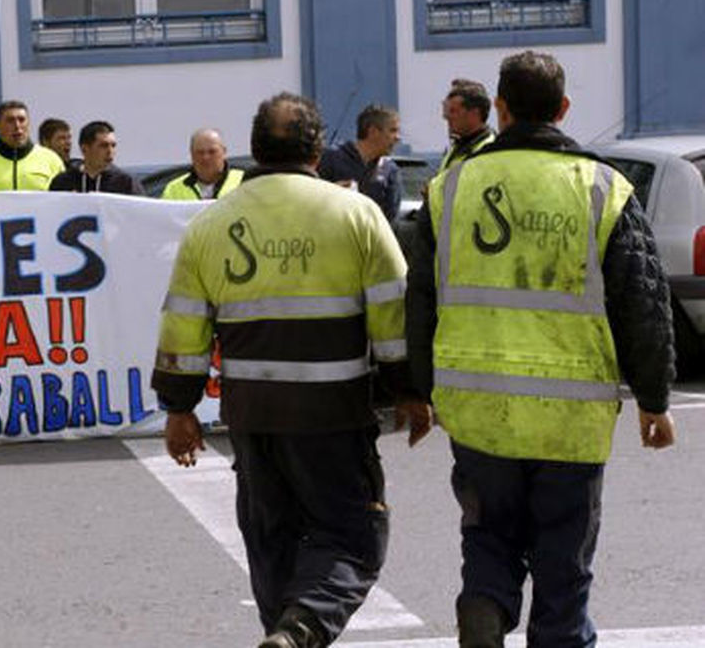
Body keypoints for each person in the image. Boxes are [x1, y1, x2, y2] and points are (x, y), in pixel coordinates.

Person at [406, 50, 675, 647]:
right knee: (563, 559)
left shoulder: (448, 189)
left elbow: (419, 298)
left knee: (488, 537)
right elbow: (642, 302)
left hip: (478, 411)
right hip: (569, 416)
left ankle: (484, 604)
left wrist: (421, 390)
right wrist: (654, 400)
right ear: (564, 108)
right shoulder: (602, 187)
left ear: (498, 109)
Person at [154, 93, 430, 648]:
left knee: (271, 538)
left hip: (252, 414)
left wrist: (179, 409)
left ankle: (283, 634)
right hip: (333, 412)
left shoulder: (212, 225)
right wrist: (410, 393)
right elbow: (394, 319)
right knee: (353, 536)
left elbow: (183, 327)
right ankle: (300, 630)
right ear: (316, 150)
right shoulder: (356, 215)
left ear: (254, 148)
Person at [319, 105, 403, 221]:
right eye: (393, 131)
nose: (398, 138)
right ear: (373, 131)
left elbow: (390, 222)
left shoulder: (390, 170)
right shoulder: (331, 158)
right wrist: (333, 192)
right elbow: (311, 200)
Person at [0, 100, 66, 191]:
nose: (17, 126)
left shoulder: (51, 160)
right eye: (10, 121)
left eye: (22, 120)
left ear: (28, 123)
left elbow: (63, 201)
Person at [48, 120, 142, 195]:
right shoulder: (63, 182)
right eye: (103, 146)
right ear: (85, 149)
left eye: (113, 145)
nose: (110, 151)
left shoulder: (126, 182)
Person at [160, 129, 244, 200]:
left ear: (224, 152)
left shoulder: (244, 180)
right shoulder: (173, 189)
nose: (205, 157)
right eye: (200, 152)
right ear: (192, 154)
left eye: (212, 152)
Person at [438, 79, 495, 173]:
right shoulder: (455, 148)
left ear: (474, 113)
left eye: (454, 111)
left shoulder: (488, 151)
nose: (446, 117)